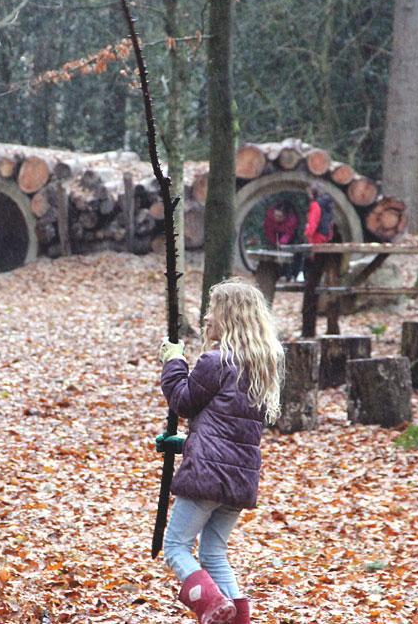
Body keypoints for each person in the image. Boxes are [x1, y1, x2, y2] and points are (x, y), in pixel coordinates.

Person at [158, 279, 284, 624]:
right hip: (239, 479)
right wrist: (185, 444)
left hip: (207, 478)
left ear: (228, 317)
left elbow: (184, 402)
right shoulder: (261, 367)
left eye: (212, 310)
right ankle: (238, 620)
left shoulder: (216, 361)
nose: (206, 317)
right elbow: (228, 433)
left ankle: (211, 604)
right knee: (213, 553)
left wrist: (173, 362)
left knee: (176, 547)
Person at [262, 200, 300, 280]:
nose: (277, 218)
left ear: (285, 216)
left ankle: (290, 274)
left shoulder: (292, 220)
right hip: (274, 235)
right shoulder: (269, 216)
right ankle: (274, 274)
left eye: (280, 217)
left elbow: (289, 233)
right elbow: (268, 231)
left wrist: (282, 242)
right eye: (276, 215)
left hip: (288, 237)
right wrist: (274, 241)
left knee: (290, 254)